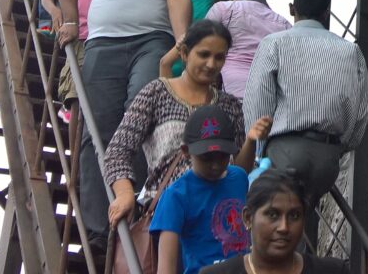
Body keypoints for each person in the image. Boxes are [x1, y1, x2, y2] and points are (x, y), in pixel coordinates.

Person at [56, 0, 194, 247]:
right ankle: (98, 231)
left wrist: (183, 39)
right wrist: (70, 22)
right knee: (96, 128)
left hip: (152, 40)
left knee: (140, 115)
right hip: (102, 43)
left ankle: (135, 210)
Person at [103, 21, 267, 231]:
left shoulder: (230, 105)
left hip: (218, 218)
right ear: (185, 53)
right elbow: (118, 151)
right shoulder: (156, 93)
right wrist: (125, 194)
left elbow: (238, 171)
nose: (211, 64)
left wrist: (251, 140)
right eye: (204, 54)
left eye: (219, 57)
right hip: (167, 215)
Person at [244, 0, 368, 210]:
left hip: (284, 150)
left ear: (292, 8)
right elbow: (361, 112)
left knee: (273, 218)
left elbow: (257, 103)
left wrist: (259, 154)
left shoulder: (274, 44)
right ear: (327, 12)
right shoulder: (351, 51)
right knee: (299, 216)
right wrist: (339, 149)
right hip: (327, 159)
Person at [151, 104, 251, 274]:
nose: (215, 165)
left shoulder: (239, 178)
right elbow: (165, 268)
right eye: (206, 158)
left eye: (222, 156)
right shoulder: (176, 196)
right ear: (185, 151)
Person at [199, 169, 350, 274]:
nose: (284, 227)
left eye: (294, 216)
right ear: (248, 218)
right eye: (272, 215)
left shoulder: (333, 271)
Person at [205, 0, 290, 99]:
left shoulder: (223, 9)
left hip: (224, 92)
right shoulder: (285, 25)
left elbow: (201, 45)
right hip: (265, 98)